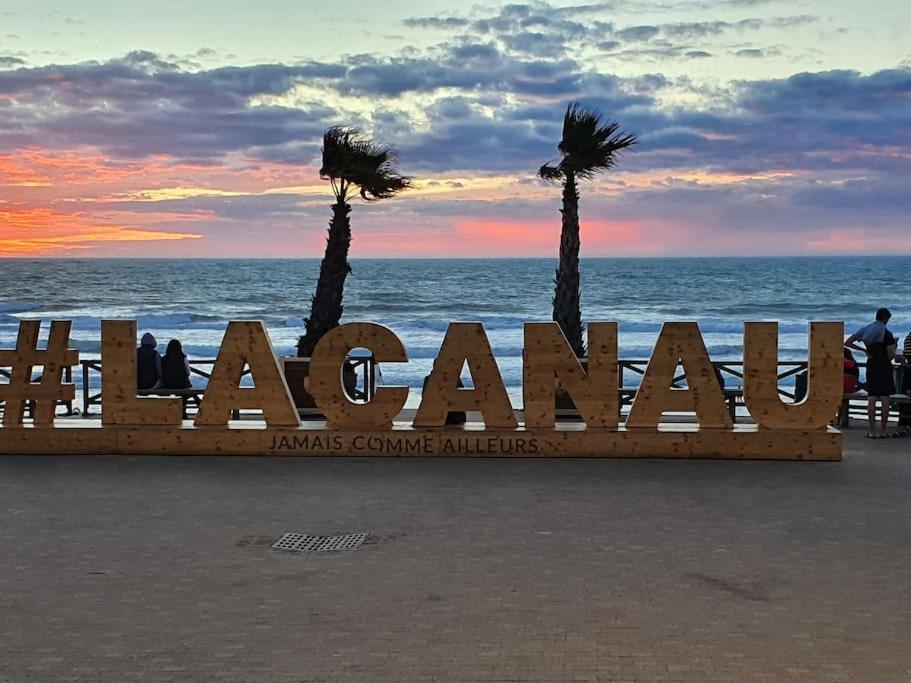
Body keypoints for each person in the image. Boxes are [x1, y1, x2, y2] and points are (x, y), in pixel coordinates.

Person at [845, 308, 897, 438]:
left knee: (872, 398)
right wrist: (894, 345)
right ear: (885, 319)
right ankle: (883, 431)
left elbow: (848, 342)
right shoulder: (887, 333)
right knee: (885, 399)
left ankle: (872, 431)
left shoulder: (865, 329)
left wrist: (864, 350)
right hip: (884, 366)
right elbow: (891, 356)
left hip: (872, 365)